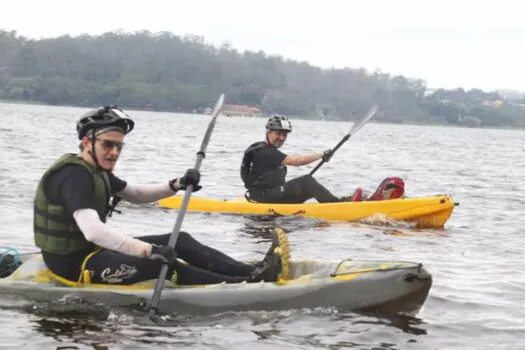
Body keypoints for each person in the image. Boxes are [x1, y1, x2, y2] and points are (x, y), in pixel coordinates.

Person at [33, 106, 284, 286]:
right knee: (161, 264)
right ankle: (243, 284)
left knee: (180, 240)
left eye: (119, 146)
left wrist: (176, 184)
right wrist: (149, 250)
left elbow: (136, 193)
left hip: (92, 251)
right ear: (87, 142)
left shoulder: (96, 170)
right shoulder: (73, 175)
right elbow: (93, 231)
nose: (114, 152)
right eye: (107, 145)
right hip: (73, 265)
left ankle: (252, 271)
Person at [240, 115, 405, 204]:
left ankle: (344, 202)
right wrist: (321, 154)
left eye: (284, 134)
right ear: (268, 132)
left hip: (271, 196)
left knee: (306, 183)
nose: (281, 138)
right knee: (306, 181)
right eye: (278, 133)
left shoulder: (267, 150)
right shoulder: (264, 152)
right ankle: (338, 207)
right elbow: (296, 161)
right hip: (263, 199)